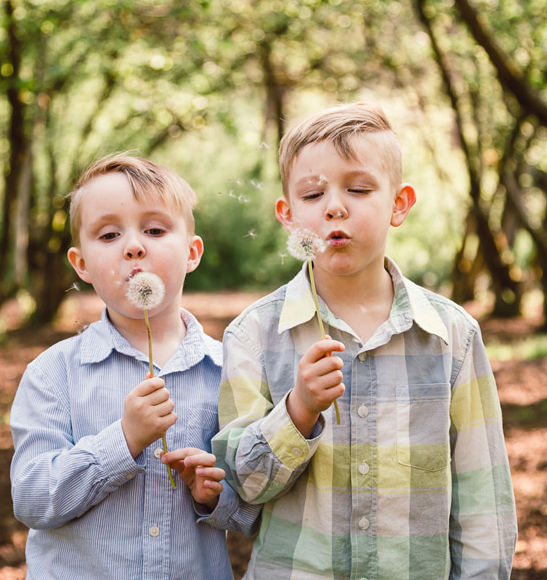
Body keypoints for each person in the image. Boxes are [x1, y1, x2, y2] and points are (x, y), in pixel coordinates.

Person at [213, 102, 517, 579]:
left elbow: (484, 498)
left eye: (358, 189)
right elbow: (244, 487)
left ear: (399, 203)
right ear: (288, 215)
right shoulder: (252, 335)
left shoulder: (451, 336)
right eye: (313, 195)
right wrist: (298, 410)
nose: (335, 206)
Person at [10, 153, 260, 579]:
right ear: (81, 264)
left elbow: (255, 513)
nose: (133, 246)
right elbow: (32, 499)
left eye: (155, 229)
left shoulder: (230, 371)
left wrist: (214, 497)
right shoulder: (52, 374)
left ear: (192, 253)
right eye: (108, 235)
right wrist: (122, 441)